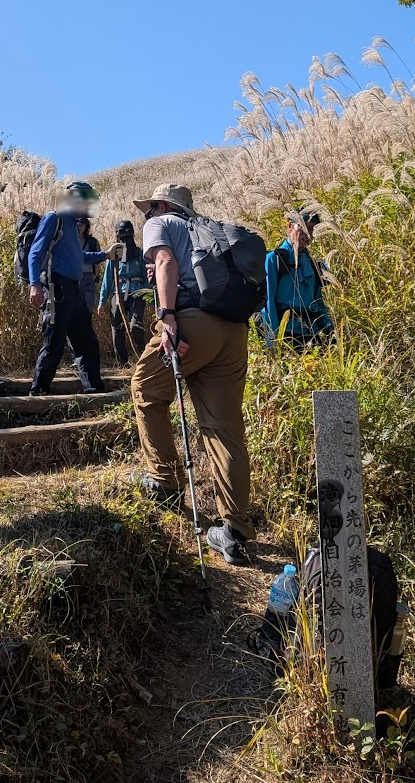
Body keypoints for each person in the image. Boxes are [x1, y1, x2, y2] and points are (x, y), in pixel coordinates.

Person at [129, 182, 255, 566]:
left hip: (191, 323)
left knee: (145, 388)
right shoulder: (209, 228)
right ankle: (234, 532)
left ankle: (164, 481)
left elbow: (165, 262)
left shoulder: (160, 223)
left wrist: (167, 317)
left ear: (163, 204)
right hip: (233, 330)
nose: (146, 213)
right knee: (223, 427)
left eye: (150, 206)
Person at [26, 180, 108, 395]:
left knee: (86, 341)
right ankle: (39, 390)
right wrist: (35, 285)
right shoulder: (54, 219)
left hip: (74, 289)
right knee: (54, 341)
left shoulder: (71, 225)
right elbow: (36, 252)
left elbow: (77, 256)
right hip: (56, 288)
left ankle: (94, 389)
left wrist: (105, 255)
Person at [261, 210, 334, 349]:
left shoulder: (312, 264)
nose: (307, 234)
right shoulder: (274, 259)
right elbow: (268, 305)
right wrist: (272, 342)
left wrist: (331, 331)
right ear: (290, 227)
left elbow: (318, 304)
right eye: (302, 227)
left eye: (311, 229)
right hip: (286, 334)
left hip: (311, 334)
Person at [98, 219, 149, 365]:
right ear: (117, 236)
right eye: (121, 233)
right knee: (117, 329)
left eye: (127, 232)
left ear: (132, 233)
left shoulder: (140, 254)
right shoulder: (112, 256)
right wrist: (102, 302)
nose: (124, 235)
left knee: (136, 326)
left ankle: (141, 359)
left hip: (137, 293)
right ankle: (123, 363)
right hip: (118, 293)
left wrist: (151, 298)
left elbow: (146, 278)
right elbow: (107, 281)